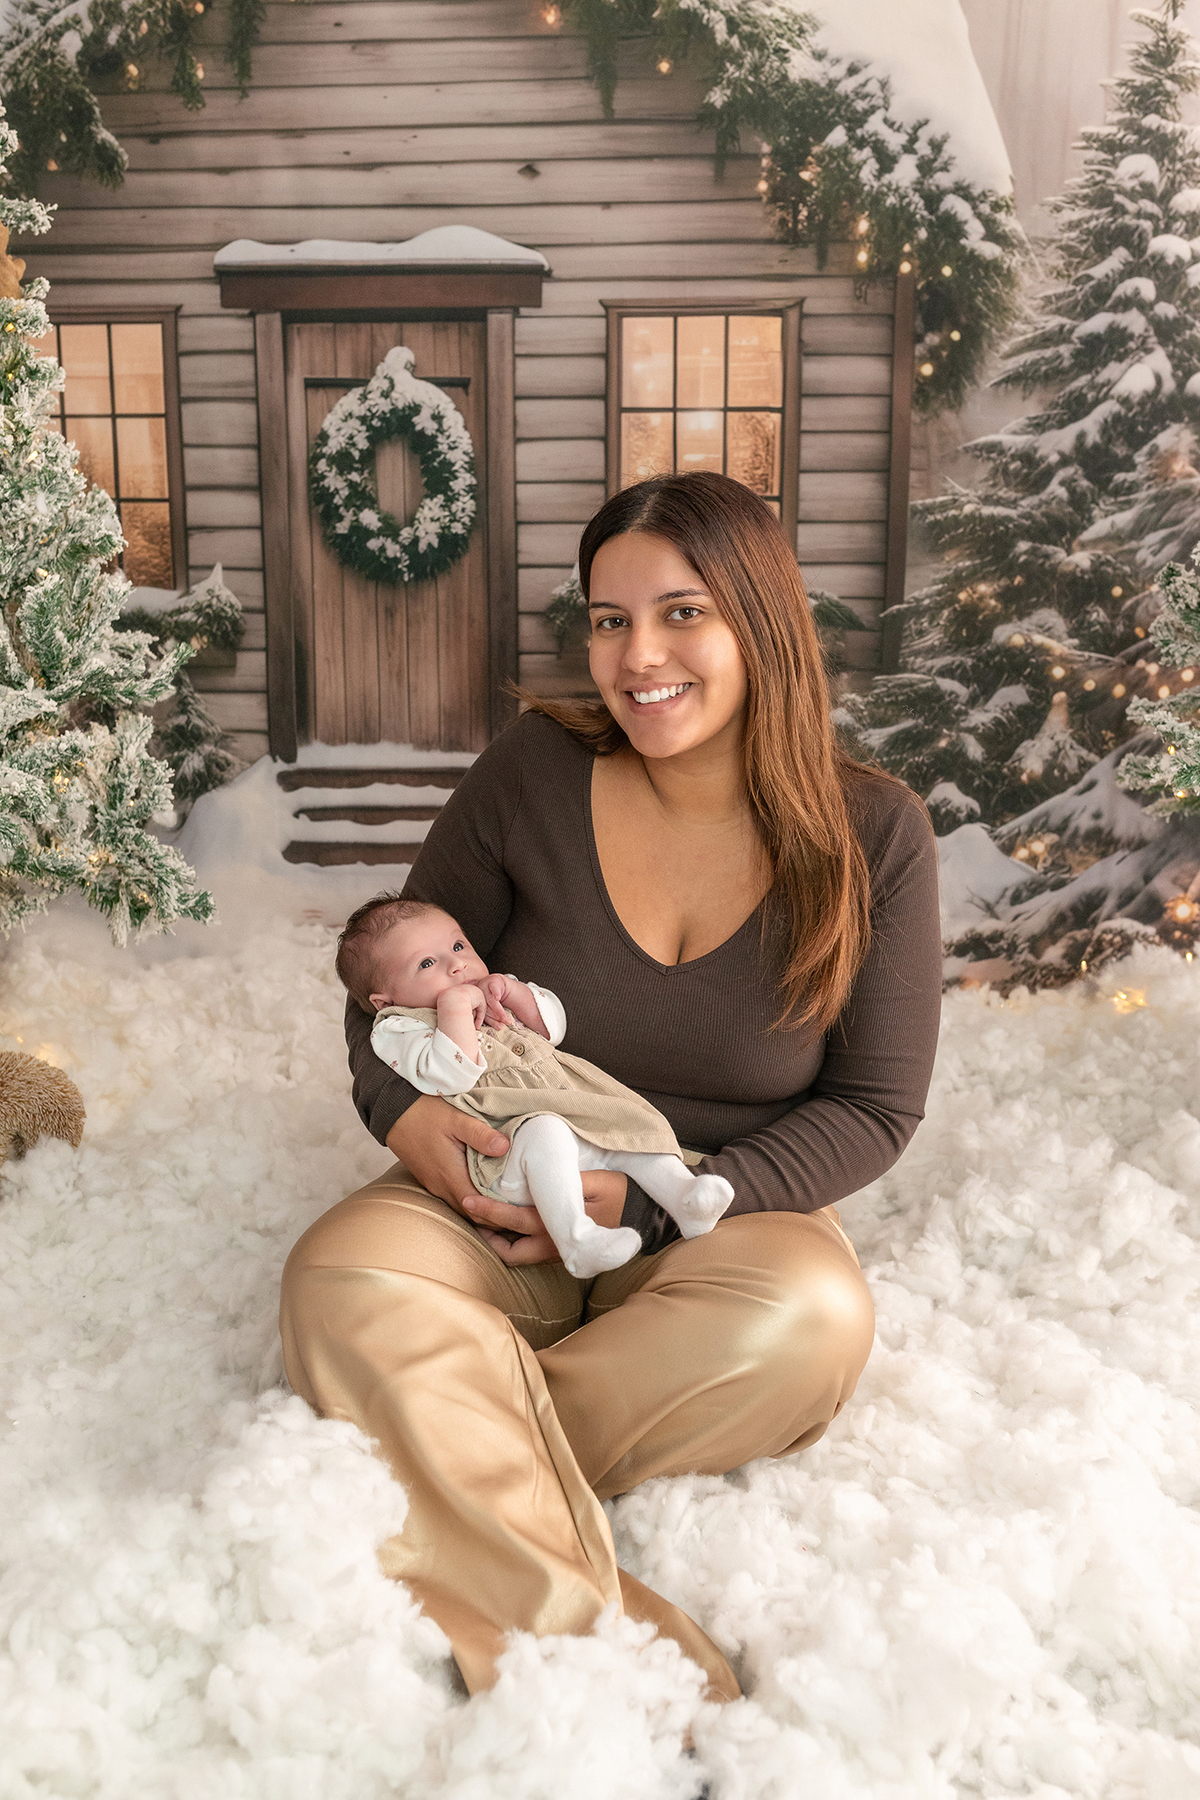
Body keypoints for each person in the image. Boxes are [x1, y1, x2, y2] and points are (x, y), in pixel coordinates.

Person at [280, 470, 943, 1701]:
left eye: (682, 613)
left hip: (709, 1215)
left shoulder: (875, 835)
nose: (638, 657)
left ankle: (437, 1437)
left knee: (814, 1326)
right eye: (607, 618)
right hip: (492, 1179)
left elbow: (876, 1109)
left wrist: (644, 1206)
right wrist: (411, 1120)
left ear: (762, 618)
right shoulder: (533, 771)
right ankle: (604, 1665)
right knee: (338, 1279)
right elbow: (388, 980)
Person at [336, 894, 734, 1277]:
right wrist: (455, 1011)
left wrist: (517, 995)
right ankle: (577, 1240)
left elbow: (552, 1028)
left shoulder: (494, 987)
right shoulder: (400, 1027)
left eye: (458, 945)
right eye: (426, 963)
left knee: (628, 1126)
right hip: (508, 1147)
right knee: (546, 1129)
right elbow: (449, 1074)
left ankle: (685, 1200)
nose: (457, 965)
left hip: (576, 1116)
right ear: (384, 1002)